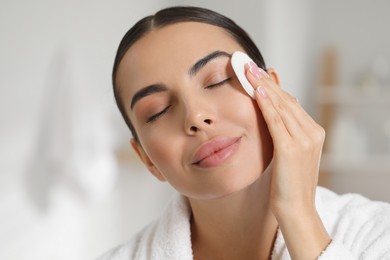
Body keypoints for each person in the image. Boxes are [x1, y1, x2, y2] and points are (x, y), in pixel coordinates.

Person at [97, 6, 390, 260]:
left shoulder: (378, 234)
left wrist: (298, 217)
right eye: (157, 111)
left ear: (274, 92)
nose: (196, 117)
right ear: (147, 158)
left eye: (217, 81)